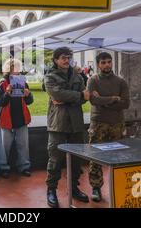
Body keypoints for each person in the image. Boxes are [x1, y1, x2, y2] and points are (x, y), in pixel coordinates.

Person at [43, 47, 90, 207]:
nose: (66, 60)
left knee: (76, 159)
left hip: (76, 123)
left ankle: (74, 188)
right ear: (56, 60)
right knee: (55, 158)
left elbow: (86, 97)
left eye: (68, 58)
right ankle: (51, 190)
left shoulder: (77, 75)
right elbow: (57, 94)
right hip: (58, 123)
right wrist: (77, 96)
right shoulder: (50, 76)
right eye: (63, 58)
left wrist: (69, 98)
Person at [87, 52, 130, 202]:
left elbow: (125, 103)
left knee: (119, 156)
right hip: (98, 123)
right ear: (98, 64)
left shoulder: (121, 82)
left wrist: (102, 101)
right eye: (103, 62)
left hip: (117, 123)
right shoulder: (93, 80)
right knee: (95, 157)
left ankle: (118, 186)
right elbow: (93, 101)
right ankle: (96, 188)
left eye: (109, 62)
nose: (107, 65)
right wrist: (113, 99)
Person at [0, 58, 33, 180]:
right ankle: (3, 168)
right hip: (6, 119)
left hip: (21, 118)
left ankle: (24, 167)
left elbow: (29, 101)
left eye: (18, 68)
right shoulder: (2, 83)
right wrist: (7, 93)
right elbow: (0, 102)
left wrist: (28, 94)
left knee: (23, 145)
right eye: (14, 68)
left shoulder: (22, 81)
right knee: (4, 146)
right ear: (8, 69)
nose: (17, 70)